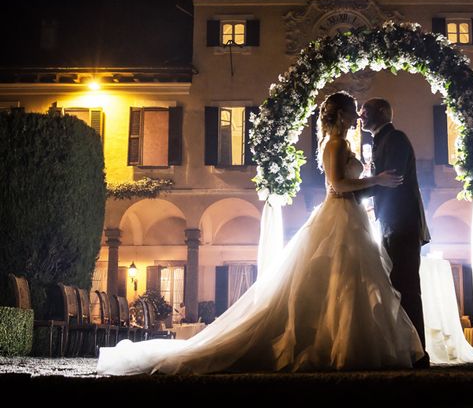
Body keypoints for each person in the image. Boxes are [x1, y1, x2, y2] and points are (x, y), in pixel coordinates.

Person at [97, 91, 425, 375]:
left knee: (349, 283)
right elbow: (338, 185)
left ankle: (348, 342)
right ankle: (338, 346)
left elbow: (351, 185)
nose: (358, 116)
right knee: (341, 279)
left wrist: (371, 186)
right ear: (341, 114)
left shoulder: (346, 142)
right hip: (340, 215)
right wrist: (376, 181)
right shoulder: (336, 143)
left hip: (352, 216)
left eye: (361, 112)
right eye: (354, 111)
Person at [359, 98, 431, 367]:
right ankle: (407, 349)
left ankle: (419, 353)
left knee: (407, 287)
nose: (360, 116)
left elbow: (393, 179)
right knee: (398, 286)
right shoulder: (381, 139)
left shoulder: (396, 138)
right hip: (392, 223)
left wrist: (351, 192)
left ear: (380, 112)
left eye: (364, 111)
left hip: (403, 223)